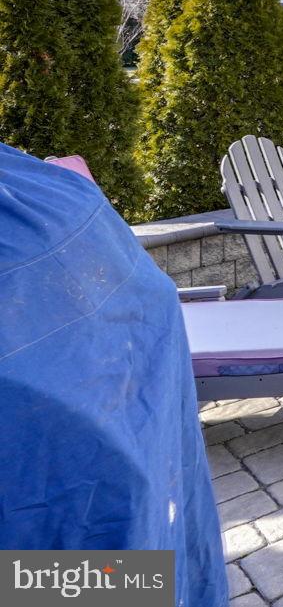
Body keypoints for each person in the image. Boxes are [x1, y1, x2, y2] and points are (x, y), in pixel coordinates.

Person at [0, 143, 227, 606]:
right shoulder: (57, 197)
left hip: (102, 481)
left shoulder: (46, 195)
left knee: (97, 572)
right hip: (109, 469)